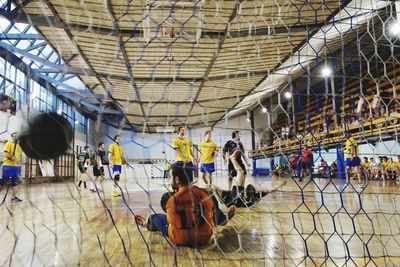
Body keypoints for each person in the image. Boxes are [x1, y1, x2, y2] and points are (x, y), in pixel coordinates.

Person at [134, 165, 234, 247]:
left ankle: (147, 223)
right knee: (210, 208)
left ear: (177, 180)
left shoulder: (169, 199)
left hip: (180, 239)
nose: (169, 180)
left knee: (156, 218)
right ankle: (221, 218)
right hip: (205, 238)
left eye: (170, 177)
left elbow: (170, 219)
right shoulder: (206, 193)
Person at [215, 180, 286, 208]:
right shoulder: (256, 196)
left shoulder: (251, 199)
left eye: (245, 192)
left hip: (228, 198)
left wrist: (220, 199)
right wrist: (280, 185)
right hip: (232, 193)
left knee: (214, 188)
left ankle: (220, 199)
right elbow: (270, 190)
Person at [0, 132, 23, 203]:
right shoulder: (8, 143)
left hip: (16, 167)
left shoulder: (20, 146)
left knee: (15, 183)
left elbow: (20, 156)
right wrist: (12, 158)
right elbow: (6, 154)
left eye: (17, 136)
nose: (16, 137)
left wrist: (19, 163)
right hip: (8, 166)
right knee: (3, 182)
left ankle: (13, 198)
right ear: (12, 137)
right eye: (14, 136)